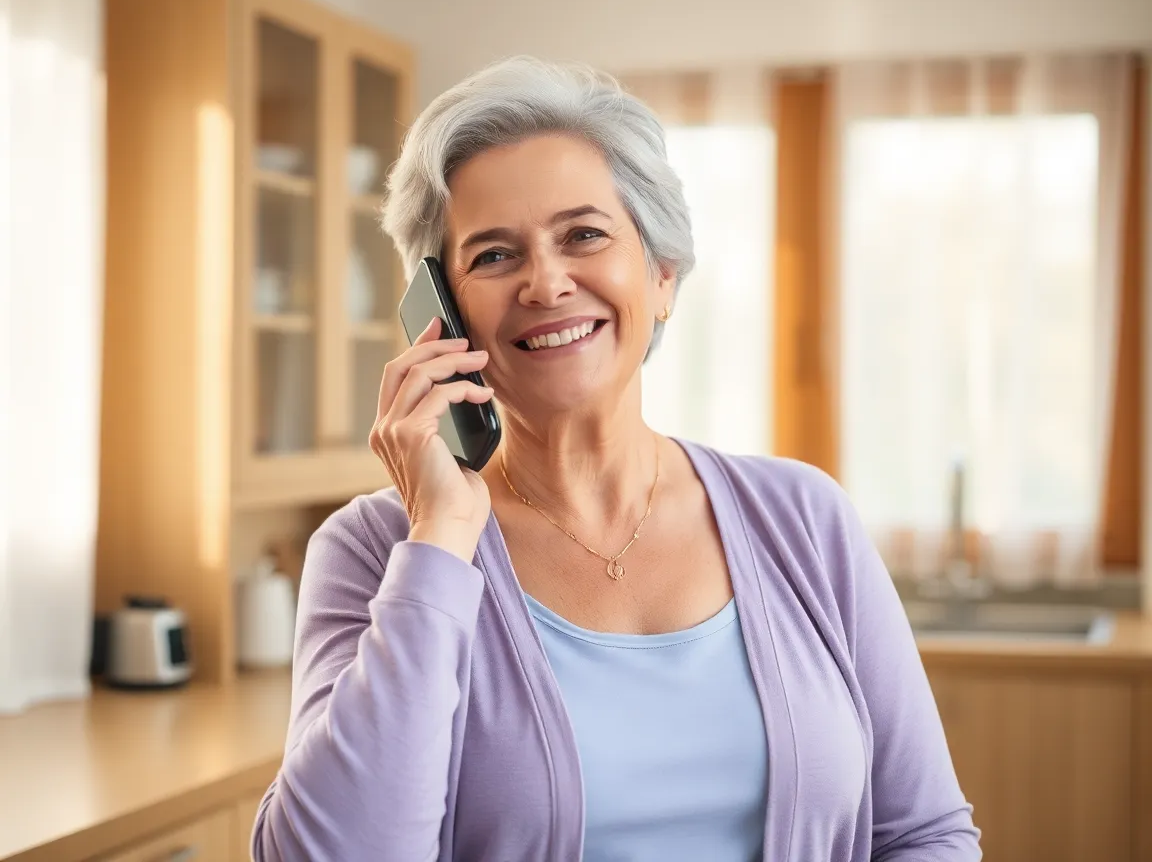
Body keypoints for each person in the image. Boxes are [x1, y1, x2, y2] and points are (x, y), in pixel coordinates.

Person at [251, 56, 980, 862]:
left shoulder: (805, 518)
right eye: (494, 256)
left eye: (584, 235)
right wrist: (441, 539)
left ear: (662, 274)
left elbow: (923, 834)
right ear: (442, 316)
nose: (547, 282)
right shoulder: (376, 552)